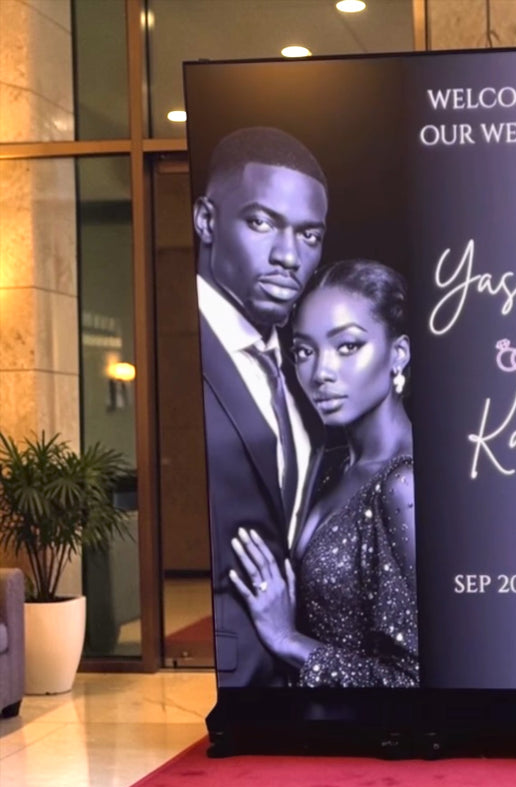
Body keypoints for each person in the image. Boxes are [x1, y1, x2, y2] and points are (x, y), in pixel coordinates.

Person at [228, 259, 419, 687]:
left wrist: (287, 639)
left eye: (347, 346)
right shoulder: (328, 465)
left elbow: (413, 681)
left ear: (398, 354)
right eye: (304, 351)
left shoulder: (403, 483)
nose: (321, 373)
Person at [194, 127, 328, 687]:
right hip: (227, 674)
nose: (288, 256)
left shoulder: (306, 370)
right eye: (261, 223)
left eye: (309, 235)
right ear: (206, 221)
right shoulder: (177, 350)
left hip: (296, 673)